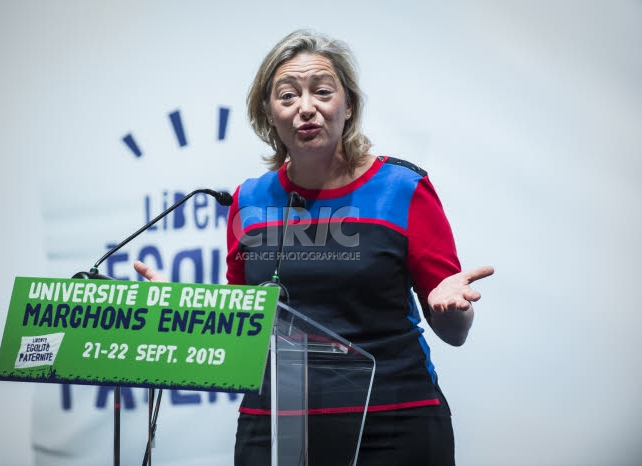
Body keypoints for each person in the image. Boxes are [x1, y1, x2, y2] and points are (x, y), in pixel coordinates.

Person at [135, 29, 494, 466]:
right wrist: (180, 308)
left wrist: (452, 311)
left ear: (349, 106)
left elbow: (454, 333)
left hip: (395, 420)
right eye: (287, 96)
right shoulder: (248, 200)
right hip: (272, 424)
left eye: (322, 92)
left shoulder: (402, 189)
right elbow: (239, 334)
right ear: (269, 114)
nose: (307, 107)